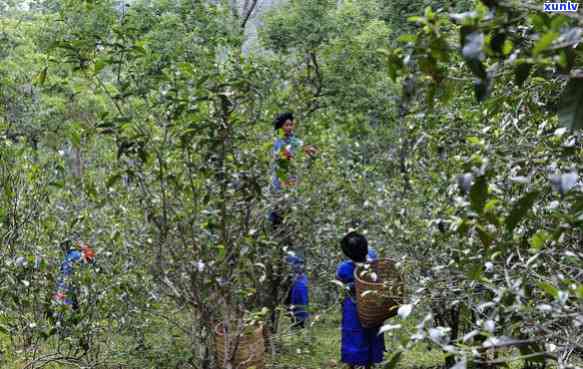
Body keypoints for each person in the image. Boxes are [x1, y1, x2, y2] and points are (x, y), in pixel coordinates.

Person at [336, 232, 384, 368]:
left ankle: (352, 364)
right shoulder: (374, 262)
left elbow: (339, 285)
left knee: (353, 336)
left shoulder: (344, 268)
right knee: (372, 334)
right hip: (372, 307)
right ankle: (370, 363)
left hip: (353, 309)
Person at [269, 112, 317, 226]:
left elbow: (304, 148)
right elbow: (283, 155)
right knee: (278, 213)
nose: (289, 128)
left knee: (291, 215)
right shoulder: (277, 141)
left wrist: (310, 150)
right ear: (280, 127)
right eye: (287, 125)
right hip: (279, 182)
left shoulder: (294, 140)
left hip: (292, 182)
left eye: (291, 125)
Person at [53, 241, 95, 309]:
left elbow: (89, 260)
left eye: (64, 245)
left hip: (73, 285)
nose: (63, 247)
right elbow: (62, 274)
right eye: (62, 245)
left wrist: (84, 248)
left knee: (74, 305)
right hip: (65, 286)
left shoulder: (75, 254)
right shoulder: (65, 257)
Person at [284, 255, 309, 329]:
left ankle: (299, 326)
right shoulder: (292, 277)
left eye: (301, 264)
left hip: (301, 302)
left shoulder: (302, 277)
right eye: (298, 264)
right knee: (295, 316)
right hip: (295, 301)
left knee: (300, 316)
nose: (300, 266)